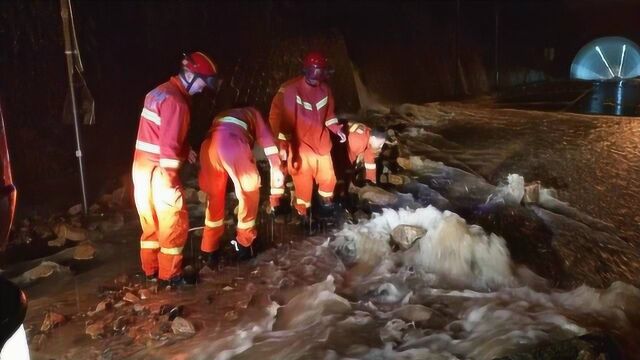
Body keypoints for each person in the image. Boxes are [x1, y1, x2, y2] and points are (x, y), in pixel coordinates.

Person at [132, 51, 218, 286]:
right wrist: (172, 181)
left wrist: (185, 148)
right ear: (190, 75)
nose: (202, 89)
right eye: (202, 83)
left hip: (141, 167)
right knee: (174, 221)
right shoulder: (177, 102)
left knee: (150, 222)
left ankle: (151, 271)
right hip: (161, 170)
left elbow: (160, 132)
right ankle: (171, 276)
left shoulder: (157, 92)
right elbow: (168, 147)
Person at [268, 51, 346, 225]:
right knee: (303, 183)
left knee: (328, 178)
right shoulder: (290, 90)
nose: (315, 78)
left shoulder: (326, 90)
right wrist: (283, 145)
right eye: (313, 73)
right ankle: (302, 214)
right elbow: (284, 121)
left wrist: (336, 128)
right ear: (306, 70)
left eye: (319, 73)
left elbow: (329, 115)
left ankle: (326, 206)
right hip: (300, 145)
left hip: (321, 143)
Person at [199, 107, 284, 263]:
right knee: (249, 191)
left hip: (208, 147)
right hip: (231, 143)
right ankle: (245, 244)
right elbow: (273, 156)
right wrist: (276, 198)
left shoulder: (225, 114)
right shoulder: (256, 115)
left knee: (214, 198)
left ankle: (209, 250)